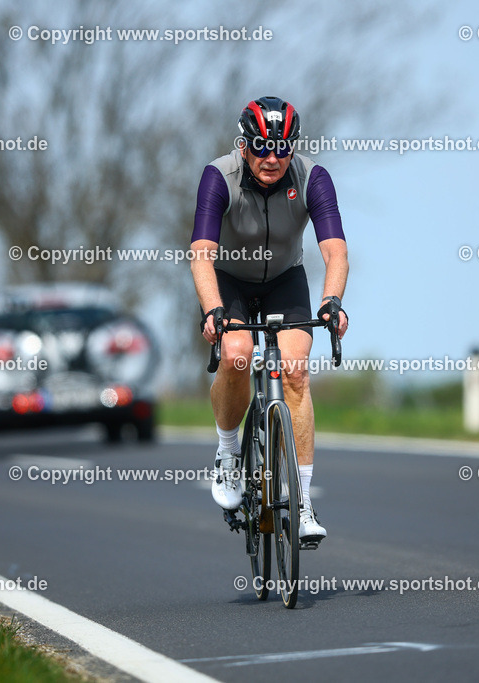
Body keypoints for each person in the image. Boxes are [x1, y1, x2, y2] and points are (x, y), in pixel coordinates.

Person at [189, 96, 349, 546]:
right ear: (244, 145)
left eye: (283, 147)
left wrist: (332, 301)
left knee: (296, 371)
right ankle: (227, 450)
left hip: (285, 279)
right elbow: (201, 253)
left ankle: (301, 503)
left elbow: (335, 251)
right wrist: (213, 310)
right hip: (231, 282)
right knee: (238, 355)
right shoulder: (219, 176)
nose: (273, 158)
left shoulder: (313, 177)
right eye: (262, 146)